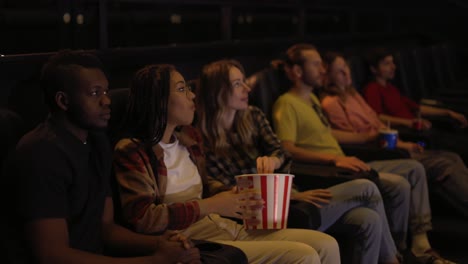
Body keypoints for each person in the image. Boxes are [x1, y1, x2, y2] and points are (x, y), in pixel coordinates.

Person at [112, 64, 332, 264]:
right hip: (194, 241)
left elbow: (207, 187)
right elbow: (142, 218)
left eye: (189, 88)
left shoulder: (189, 140)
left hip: (221, 225)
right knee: (305, 255)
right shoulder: (132, 150)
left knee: (325, 244)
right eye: (182, 89)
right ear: (157, 99)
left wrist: (233, 195)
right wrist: (213, 205)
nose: (192, 96)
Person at [5, 50, 201, 264]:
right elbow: (52, 255)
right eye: (95, 93)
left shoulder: (97, 142)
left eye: (106, 91)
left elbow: (105, 228)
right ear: (63, 101)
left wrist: (160, 243)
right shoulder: (41, 153)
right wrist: (154, 261)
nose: (107, 100)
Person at [196, 59, 400, 264]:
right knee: (366, 187)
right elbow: (226, 192)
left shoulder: (253, 116)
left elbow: (281, 151)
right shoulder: (199, 140)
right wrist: (292, 196)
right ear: (216, 91)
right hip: (263, 213)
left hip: (290, 197)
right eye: (238, 83)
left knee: (368, 218)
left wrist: (275, 161)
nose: (247, 88)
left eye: (244, 82)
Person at [271, 43, 455, 264]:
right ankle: (400, 256)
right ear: (298, 71)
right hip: (328, 172)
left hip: (346, 163)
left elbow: (329, 134)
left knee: (400, 183)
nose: (322, 70)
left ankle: (405, 250)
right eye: (316, 64)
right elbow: (287, 148)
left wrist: (368, 137)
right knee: (395, 185)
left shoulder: (312, 100)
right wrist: (335, 159)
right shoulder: (286, 103)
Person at [321, 51, 468, 220]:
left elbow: (377, 120)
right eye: (340, 71)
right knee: (444, 163)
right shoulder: (333, 103)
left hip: (395, 144)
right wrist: (402, 142)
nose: (347, 73)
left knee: (452, 156)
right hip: (382, 152)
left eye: (346, 67)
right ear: (328, 75)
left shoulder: (354, 95)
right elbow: (361, 137)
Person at [362, 47, 468, 164]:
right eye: (386, 64)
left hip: (421, 132)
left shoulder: (391, 88)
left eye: (392, 63)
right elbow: (378, 116)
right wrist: (409, 123)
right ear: (373, 69)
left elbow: (417, 108)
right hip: (410, 136)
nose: (393, 67)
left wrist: (447, 112)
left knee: (456, 151)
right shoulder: (372, 89)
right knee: (455, 153)